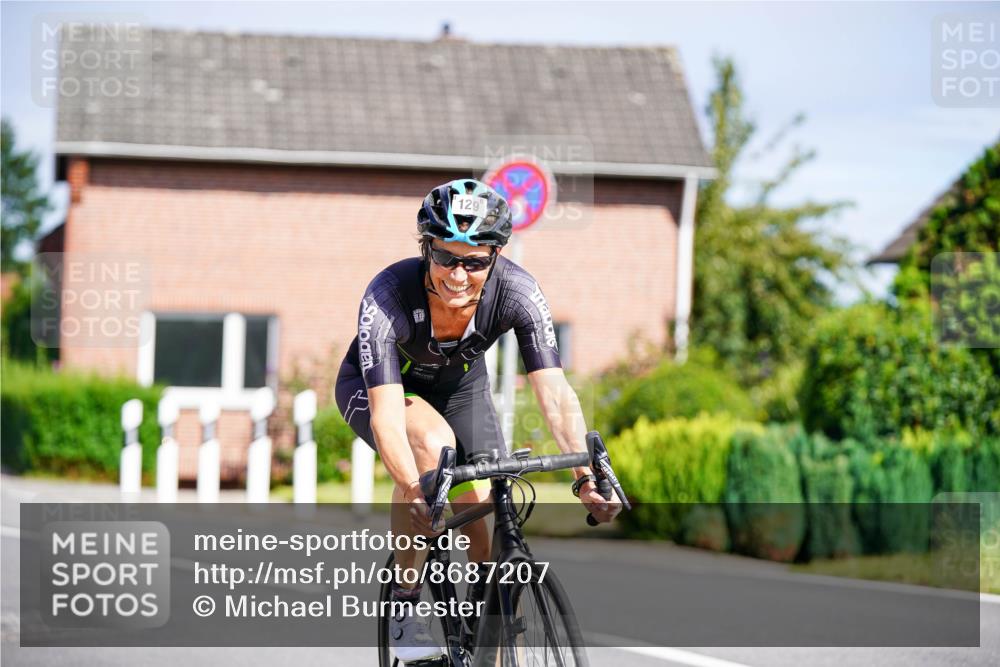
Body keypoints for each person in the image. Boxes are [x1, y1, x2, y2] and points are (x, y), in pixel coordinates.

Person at [335, 178, 620, 663]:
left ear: (496, 256)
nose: (459, 275)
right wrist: (414, 487)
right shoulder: (389, 295)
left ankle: (482, 637)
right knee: (432, 445)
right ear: (427, 248)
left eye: (475, 261)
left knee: (487, 499)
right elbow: (386, 415)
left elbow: (553, 390)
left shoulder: (518, 291)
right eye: (446, 256)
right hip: (379, 389)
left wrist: (586, 476)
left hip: (462, 391)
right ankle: (406, 602)